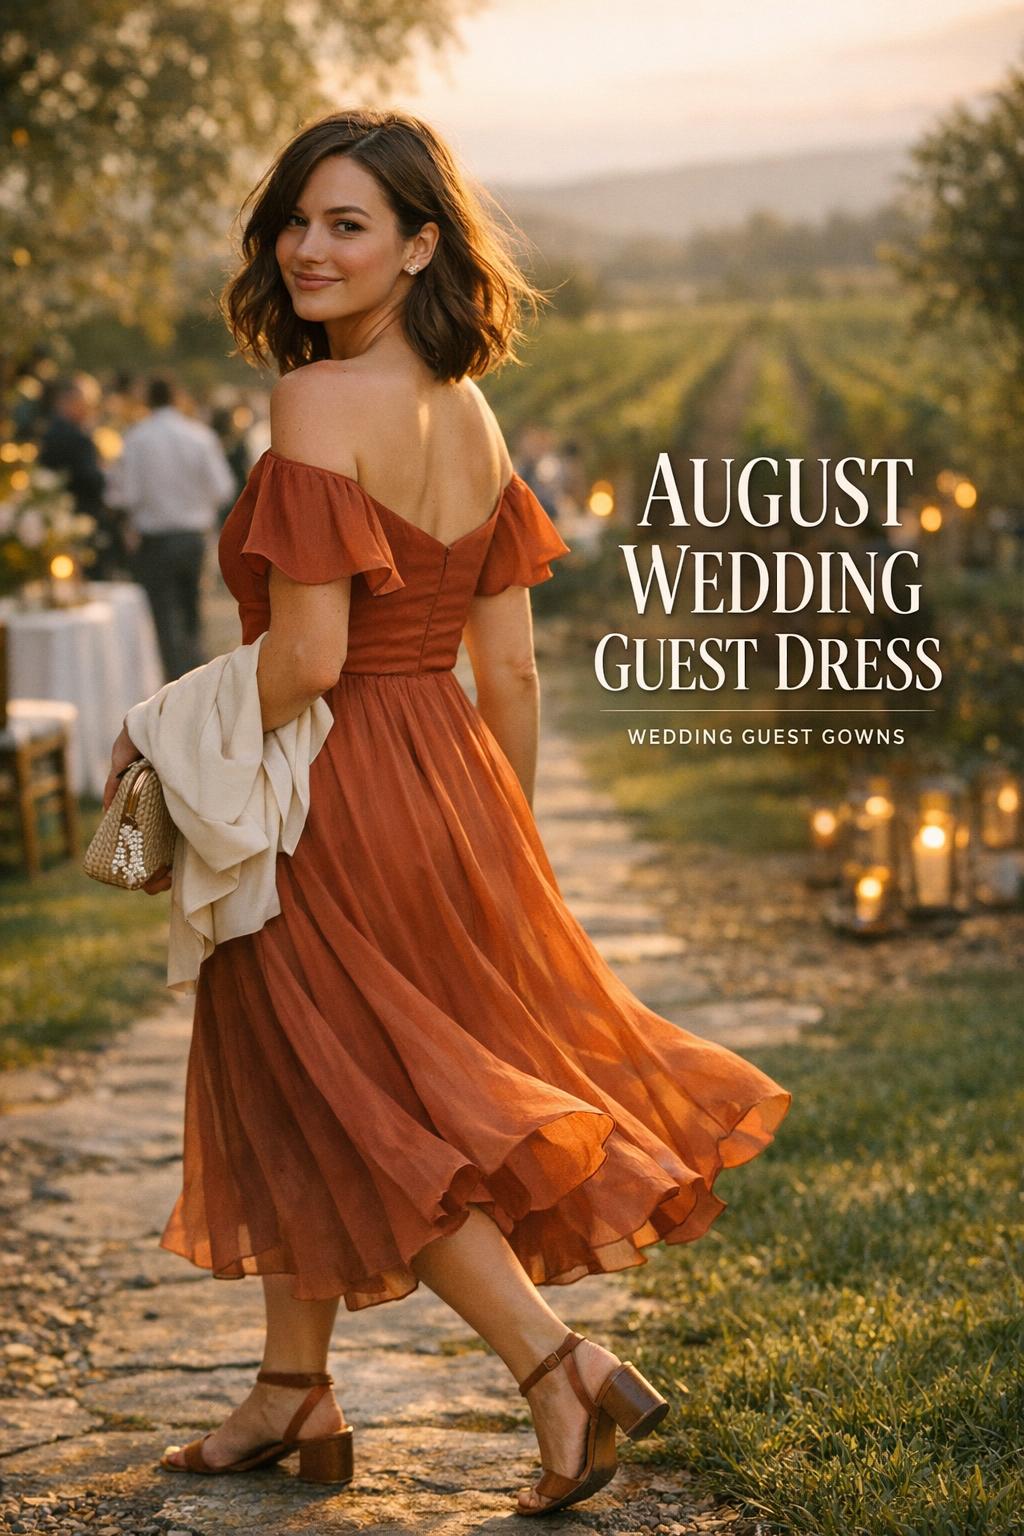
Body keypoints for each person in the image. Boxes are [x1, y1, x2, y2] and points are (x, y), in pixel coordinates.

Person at [103, 108, 792, 1517]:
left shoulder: (316, 402)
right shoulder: (470, 414)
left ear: (421, 245)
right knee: (311, 1073)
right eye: (296, 218)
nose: (307, 246)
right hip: (448, 783)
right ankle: (293, 1390)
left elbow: (306, 662)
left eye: (346, 223)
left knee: (373, 1107)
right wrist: (501, 840)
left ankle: (556, 1366)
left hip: (335, 788)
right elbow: (514, 668)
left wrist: (164, 734)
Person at [113, 375, 236, 679]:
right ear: (177, 398)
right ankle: (196, 676)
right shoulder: (199, 436)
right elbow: (223, 488)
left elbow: (125, 494)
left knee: (163, 617)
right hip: (192, 535)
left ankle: (173, 682)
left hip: (155, 538)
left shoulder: (136, 438)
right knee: (192, 611)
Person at [37, 376, 123, 580]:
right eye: (86, 404)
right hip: (82, 522)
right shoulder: (78, 438)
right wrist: (103, 474)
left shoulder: (47, 433)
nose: (89, 410)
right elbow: (92, 481)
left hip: (57, 523)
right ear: (71, 402)